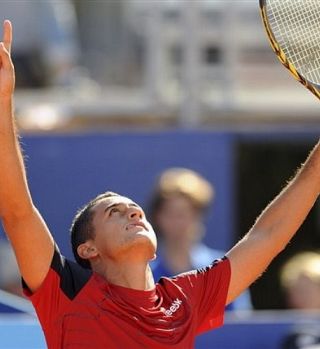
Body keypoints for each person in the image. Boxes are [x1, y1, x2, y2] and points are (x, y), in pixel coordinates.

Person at [1, 20, 320, 348]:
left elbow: (268, 235)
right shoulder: (68, 293)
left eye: (135, 210)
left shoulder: (185, 298)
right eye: (115, 213)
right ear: (88, 249)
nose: (134, 214)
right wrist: (3, 102)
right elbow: (17, 212)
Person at [149, 167, 252, 311]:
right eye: (170, 213)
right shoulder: (144, 276)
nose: (177, 222)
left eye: (183, 214)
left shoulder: (223, 271)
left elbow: (239, 326)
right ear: (158, 218)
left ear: (198, 217)